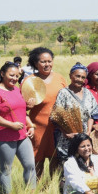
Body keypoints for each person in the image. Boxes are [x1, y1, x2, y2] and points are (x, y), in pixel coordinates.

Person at [0, 62, 36, 194]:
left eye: (17, 76)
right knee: (6, 169)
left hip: (21, 135)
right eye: (11, 75)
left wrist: (30, 125)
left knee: (30, 165)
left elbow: (22, 111)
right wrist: (11, 125)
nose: (14, 78)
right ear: (2, 74)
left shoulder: (17, 89)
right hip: (4, 136)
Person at [24, 47, 67, 178]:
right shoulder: (29, 81)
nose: (47, 64)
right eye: (43, 62)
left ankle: (52, 190)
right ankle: (35, 191)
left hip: (57, 127)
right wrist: (27, 106)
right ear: (35, 63)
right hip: (37, 128)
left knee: (56, 158)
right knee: (37, 159)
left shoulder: (60, 78)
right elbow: (20, 109)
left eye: (49, 61)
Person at [51, 63, 98, 164]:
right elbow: (56, 117)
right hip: (67, 138)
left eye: (83, 77)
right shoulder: (63, 93)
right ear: (70, 76)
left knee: (84, 166)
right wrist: (66, 133)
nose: (80, 79)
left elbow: (93, 114)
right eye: (77, 76)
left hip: (84, 138)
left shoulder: (88, 93)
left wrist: (88, 131)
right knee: (67, 167)